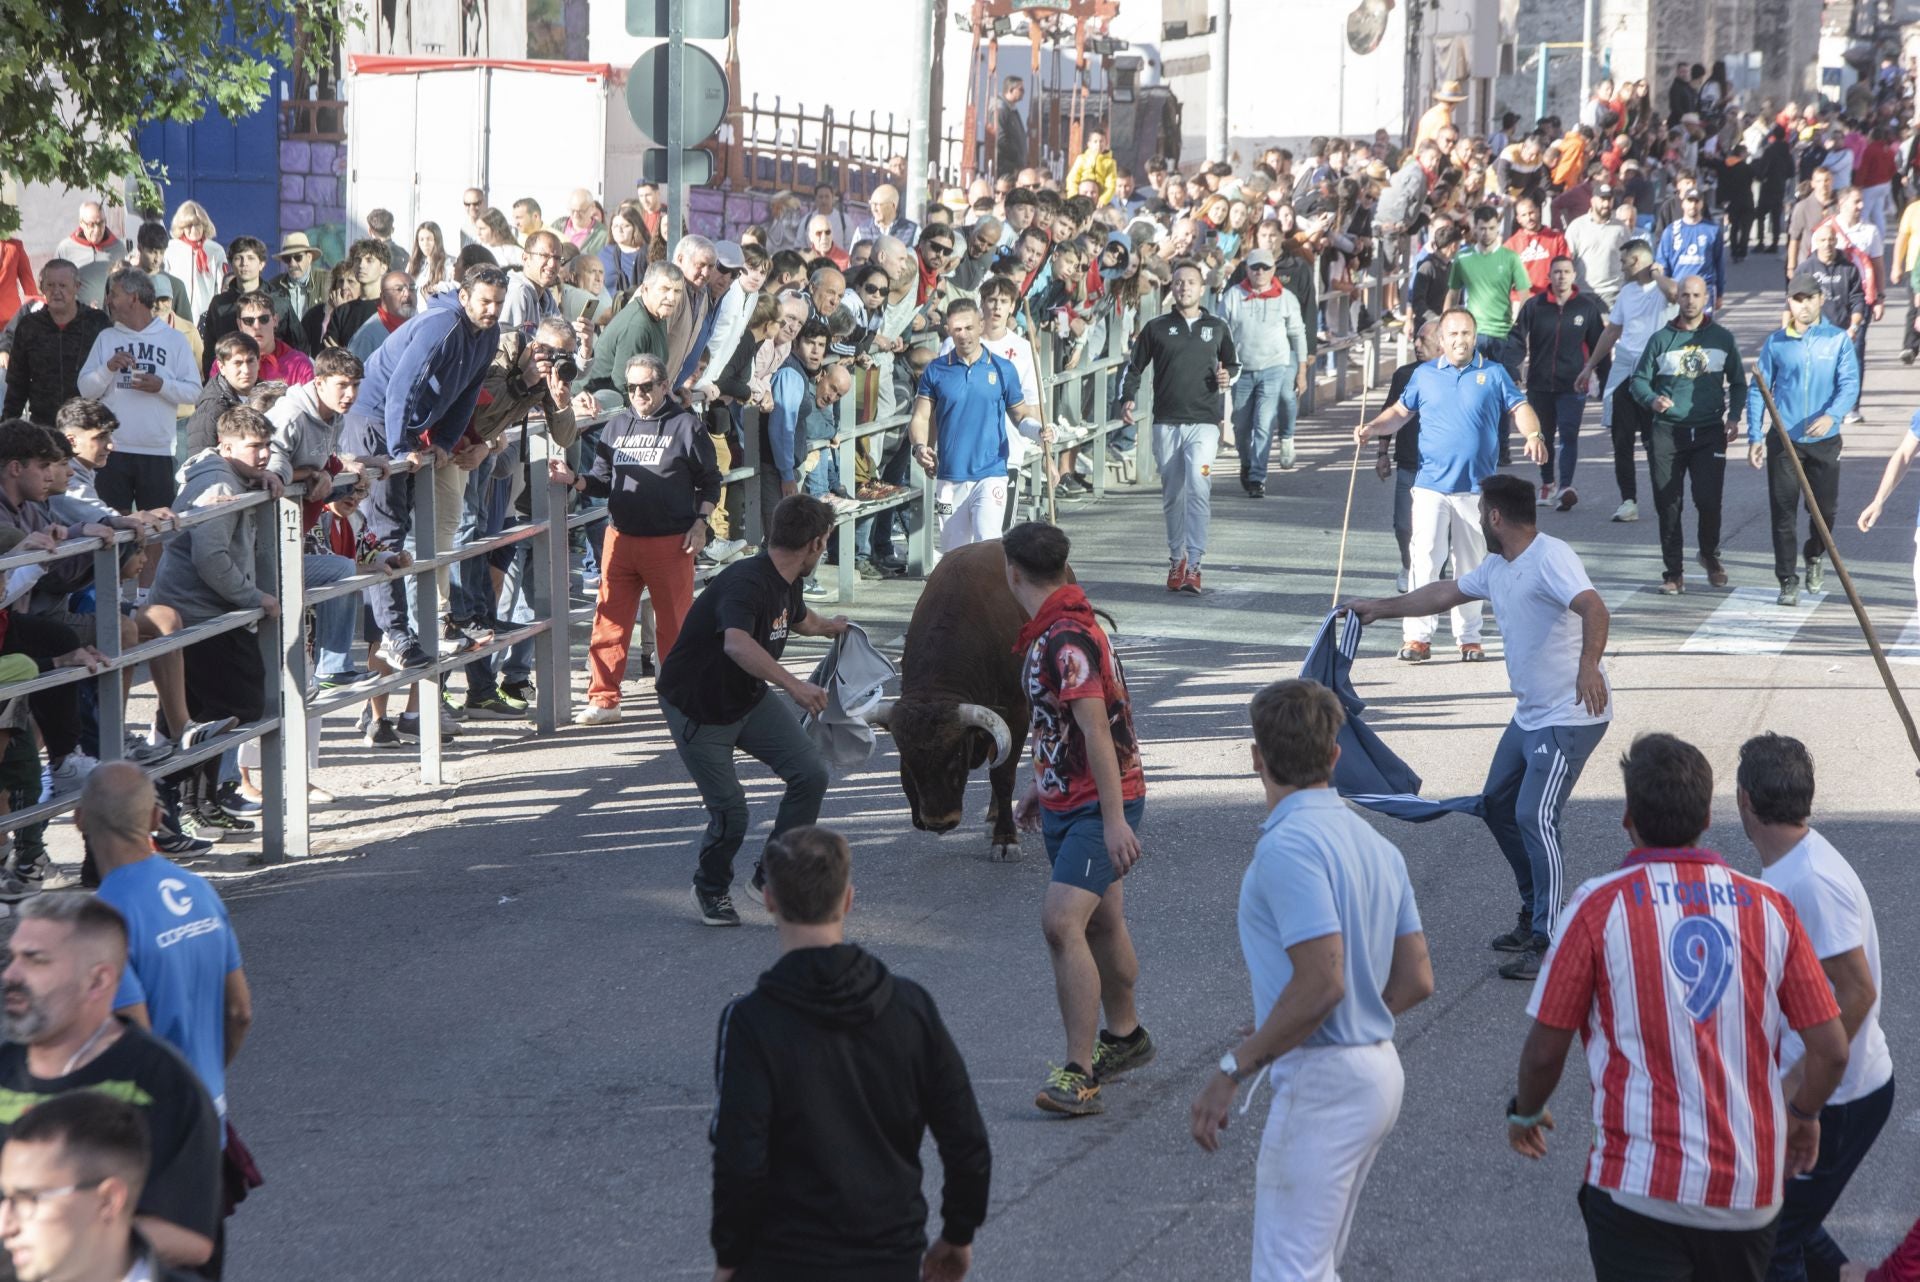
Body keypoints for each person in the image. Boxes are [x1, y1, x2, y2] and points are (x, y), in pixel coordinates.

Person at [1506, 732, 1850, 1282]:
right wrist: (1804, 1115)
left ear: (1627, 817)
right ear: (1708, 818)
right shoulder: (1771, 909)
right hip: (1747, 1193)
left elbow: (1546, 1049)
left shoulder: (1598, 906)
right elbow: (1831, 1049)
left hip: (1640, 1187)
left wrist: (1525, 1110)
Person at [1188, 678, 1433, 1279]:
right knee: (1315, 1265)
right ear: (1334, 756)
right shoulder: (1377, 846)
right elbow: (1417, 979)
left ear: (1256, 758)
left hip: (1325, 1082)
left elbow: (1322, 984)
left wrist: (1232, 1069)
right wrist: (1305, 1016)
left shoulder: (1288, 846)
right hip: (1377, 1071)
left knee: (1288, 1271)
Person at [1344, 474, 1612, 977]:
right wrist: (1379, 608)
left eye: (1480, 510)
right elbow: (1446, 593)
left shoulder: (1550, 557)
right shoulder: (1498, 564)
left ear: (1493, 517)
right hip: (1531, 714)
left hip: (1570, 714)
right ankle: (1534, 913)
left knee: (1535, 816)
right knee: (1497, 807)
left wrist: (1588, 665)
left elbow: (1594, 608)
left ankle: (1552, 939)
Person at [708, 825, 991, 1282]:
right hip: (888, 1255)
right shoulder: (909, 1007)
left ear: (770, 901)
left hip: (782, 1260)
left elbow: (739, 1157)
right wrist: (958, 1234)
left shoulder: (750, 1022)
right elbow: (966, 1139)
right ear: (848, 899)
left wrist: (729, 1257)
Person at [1003, 521, 1151, 1117]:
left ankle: (1078, 1072)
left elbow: (1095, 729)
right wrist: (1043, 784)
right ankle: (1126, 1035)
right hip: (1074, 798)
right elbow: (1060, 726)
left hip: (1097, 804)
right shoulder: (1063, 624)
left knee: (1061, 923)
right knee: (1102, 922)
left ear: (1012, 572)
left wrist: (1115, 822)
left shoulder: (1064, 639)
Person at [1734, 734, 1895, 1282]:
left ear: (1743, 801)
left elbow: (1857, 992)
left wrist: (1801, 1093)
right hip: (1823, 1087)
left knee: (1769, 1238)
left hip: (1839, 1095)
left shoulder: (1809, 882)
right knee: (1778, 1211)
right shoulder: (1791, 867)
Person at [0, 895, 222, 1272]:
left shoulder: (163, 1083)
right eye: (13, 956)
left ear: (98, 980)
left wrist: (53, 1242)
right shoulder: (5, 1066)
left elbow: (191, 1239)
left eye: (35, 960)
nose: (11, 974)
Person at [657, 495, 847, 927]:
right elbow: (736, 643)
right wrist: (795, 685)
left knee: (811, 774)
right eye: (827, 543)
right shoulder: (746, 581)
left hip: (746, 696)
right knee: (731, 813)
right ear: (817, 543)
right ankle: (709, 888)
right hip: (698, 708)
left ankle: (769, 877)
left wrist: (832, 628)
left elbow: (796, 618)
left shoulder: (788, 575)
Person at [336, 264, 505, 670]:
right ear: (464, 297)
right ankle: (393, 635)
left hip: (408, 428)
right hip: (374, 420)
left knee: (406, 529)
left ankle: (406, 631)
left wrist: (446, 441)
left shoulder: (488, 335)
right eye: (484, 301)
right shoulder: (442, 324)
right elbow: (402, 386)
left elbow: (466, 393)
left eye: (498, 303)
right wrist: (398, 447)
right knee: (386, 528)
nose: (492, 310)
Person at [1355, 308, 1545, 663]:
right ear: (1441, 341)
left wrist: (1533, 434)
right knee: (1424, 559)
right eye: (1453, 335)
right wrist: (1371, 429)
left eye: (1467, 334)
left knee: (1470, 567)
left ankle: (1469, 638)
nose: (1461, 340)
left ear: (1475, 337)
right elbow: (1399, 413)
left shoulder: (1493, 373)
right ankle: (1417, 638)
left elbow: (1520, 407)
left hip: (1476, 490)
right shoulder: (1424, 375)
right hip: (1430, 486)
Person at [82, 763, 253, 1130]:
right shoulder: (199, 890)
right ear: (158, 818)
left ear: (79, 820)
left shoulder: (100, 920)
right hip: (209, 1117)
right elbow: (239, 1013)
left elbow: (133, 1041)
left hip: (147, 1137)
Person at [553, 353, 719, 726]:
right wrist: (574, 479)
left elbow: (711, 480)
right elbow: (600, 479)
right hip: (622, 538)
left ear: (664, 386)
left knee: (674, 627)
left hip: (670, 541)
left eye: (646, 386)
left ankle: (682, 697)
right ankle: (604, 699)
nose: (639, 393)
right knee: (608, 621)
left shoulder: (686, 426)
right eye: (632, 388)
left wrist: (701, 523)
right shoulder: (616, 425)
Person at [149, 407, 278, 842]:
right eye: (254, 448)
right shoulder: (218, 481)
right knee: (239, 704)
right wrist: (253, 597)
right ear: (225, 447)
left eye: (267, 447)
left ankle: (200, 803)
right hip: (198, 613)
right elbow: (211, 558)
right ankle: (181, 802)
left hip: (203, 610)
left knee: (205, 712)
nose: (263, 456)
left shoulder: (228, 473)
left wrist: (261, 476)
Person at [1120, 260, 1238, 594]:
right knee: (1173, 493)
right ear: (1171, 288)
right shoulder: (1157, 327)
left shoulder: (1216, 327)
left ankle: (1196, 563)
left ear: (1202, 288)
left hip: (1203, 422)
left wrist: (1228, 376)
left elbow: (1234, 363)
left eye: (1190, 282)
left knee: (1199, 487)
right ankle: (1177, 558)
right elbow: (1134, 367)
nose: (1184, 287)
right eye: (1178, 282)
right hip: (1167, 422)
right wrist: (1127, 398)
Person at [1628, 274, 1746, 594]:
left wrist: (1734, 417)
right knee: (1669, 503)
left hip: (1709, 431)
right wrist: (1652, 399)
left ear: (1706, 298)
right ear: (1676, 299)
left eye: (1696, 295)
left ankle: (1709, 554)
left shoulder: (1721, 338)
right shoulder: (1660, 339)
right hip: (1668, 432)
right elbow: (1638, 381)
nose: (1690, 301)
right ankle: (1673, 573)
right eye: (1684, 295)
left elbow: (1738, 382)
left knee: (1708, 501)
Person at [1748, 274, 1859, 606]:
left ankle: (1814, 553)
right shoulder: (1777, 343)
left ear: (1820, 299)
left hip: (1825, 440)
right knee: (1783, 512)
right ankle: (1787, 579)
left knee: (1824, 510)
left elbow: (1849, 383)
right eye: (1797, 299)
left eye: (1810, 298)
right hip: (1785, 441)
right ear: (1790, 303)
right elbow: (1759, 390)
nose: (1804, 305)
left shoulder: (1837, 340)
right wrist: (1755, 434)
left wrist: (1832, 415)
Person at [909, 299, 1045, 560]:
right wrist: (920, 448)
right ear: (949, 330)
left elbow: (1019, 415)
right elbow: (920, 417)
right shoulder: (936, 370)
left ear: (981, 325)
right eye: (957, 329)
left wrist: (1038, 432)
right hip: (950, 477)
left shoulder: (1003, 368)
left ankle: (992, 600)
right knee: (956, 556)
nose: (964, 335)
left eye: (969, 327)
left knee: (988, 545)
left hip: (991, 472)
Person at [75, 271, 199, 516]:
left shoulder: (174, 339)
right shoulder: (106, 338)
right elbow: (85, 390)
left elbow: (195, 392)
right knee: (114, 526)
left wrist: (161, 386)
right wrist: (108, 368)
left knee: (157, 527)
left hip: (157, 451)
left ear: (133, 298)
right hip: (113, 451)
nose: (108, 300)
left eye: (114, 294)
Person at [1575, 238, 1677, 523]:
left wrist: (1655, 272)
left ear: (1638, 261)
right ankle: (1628, 501)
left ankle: (1665, 497)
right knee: (1621, 440)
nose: (1620, 267)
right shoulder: (1627, 292)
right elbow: (1612, 333)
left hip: (1654, 372)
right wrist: (1589, 366)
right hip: (1625, 368)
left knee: (1653, 442)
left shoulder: (1662, 286)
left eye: (1624, 261)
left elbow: (1674, 293)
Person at [1514, 256, 1605, 509]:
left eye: (1566, 272)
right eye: (1556, 272)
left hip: (1572, 385)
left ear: (1574, 275)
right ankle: (1547, 483)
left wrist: (1604, 381)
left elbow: (1600, 345)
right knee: (1542, 435)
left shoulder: (1586, 308)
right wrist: (1512, 368)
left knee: (1568, 435)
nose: (1561, 277)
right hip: (1539, 384)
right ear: (1549, 276)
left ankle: (1565, 486)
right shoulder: (1535, 306)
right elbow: (1517, 337)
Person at [1217, 247, 1309, 493]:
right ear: (1246, 269)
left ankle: (1258, 477)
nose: (1259, 272)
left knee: (1264, 422)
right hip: (1241, 369)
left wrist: (1301, 371)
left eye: (1265, 267)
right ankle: (1247, 463)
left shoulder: (1286, 297)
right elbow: (1220, 334)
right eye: (1255, 267)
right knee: (1241, 423)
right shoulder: (1233, 296)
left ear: (1273, 270)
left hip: (1274, 367)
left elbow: (1298, 334)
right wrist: (1221, 364)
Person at [2, 260, 111, 426]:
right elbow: (17, 383)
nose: (56, 291)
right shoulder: (29, 326)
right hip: (44, 425)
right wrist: (7, 427)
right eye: (50, 285)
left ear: (77, 286)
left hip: (89, 427)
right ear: (42, 288)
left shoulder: (97, 323)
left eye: (63, 285)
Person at [1654, 188, 1728, 311]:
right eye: (1690, 201)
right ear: (1683, 203)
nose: (1693, 205)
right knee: (1680, 329)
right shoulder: (1671, 231)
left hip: (1704, 291)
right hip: (1678, 291)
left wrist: (1720, 293)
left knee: (1703, 329)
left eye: (1696, 201)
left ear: (1702, 204)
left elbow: (1719, 263)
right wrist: (1665, 291)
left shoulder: (1712, 231)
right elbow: (1662, 264)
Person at [160, 202, 225, 323]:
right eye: (189, 226)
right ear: (181, 228)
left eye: (198, 225)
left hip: (206, 316)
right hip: (176, 314)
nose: (194, 230)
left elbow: (221, 284)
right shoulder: (170, 249)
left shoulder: (215, 250)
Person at [1564, 183, 1627, 306]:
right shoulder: (1577, 227)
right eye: (1602, 199)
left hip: (1613, 293)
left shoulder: (1621, 228)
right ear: (1592, 201)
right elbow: (1567, 261)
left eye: (1609, 199)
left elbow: (1629, 259)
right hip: (1583, 292)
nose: (1606, 204)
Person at [231, 291, 313, 386]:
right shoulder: (226, 363)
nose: (257, 326)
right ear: (240, 325)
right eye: (249, 321)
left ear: (275, 321)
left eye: (264, 319)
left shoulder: (299, 364)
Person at [1505, 197, 1571, 296]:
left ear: (1538, 211)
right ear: (1518, 219)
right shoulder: (1511, 245)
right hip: (1521, 301)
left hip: (1550, 298)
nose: (1529, 218)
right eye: (1524, 215)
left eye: (1531, 213)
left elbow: (1565, 268)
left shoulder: (1557, 239)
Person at [346, 271, 416, 362]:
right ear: (383, 297)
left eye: (412, 288)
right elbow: (354, 373)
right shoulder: (367, 336)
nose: (407, 294)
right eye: (399, 289)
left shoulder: (420, 325)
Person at [55, 201, 121, 268]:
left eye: (101, 223)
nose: (97, 230)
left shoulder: (118, 247)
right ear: (81, 223)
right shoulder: (65, 248)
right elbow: (55, 275)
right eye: (91, 224)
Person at [994, 77, 1028, 179]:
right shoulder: (1001, 109)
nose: (1024, 92)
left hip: (1013, 165)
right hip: (1006, 167)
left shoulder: (1011, 109)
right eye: (1021, 89)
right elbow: (1000, 139)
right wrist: (1016, 157)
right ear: (1011, 90)